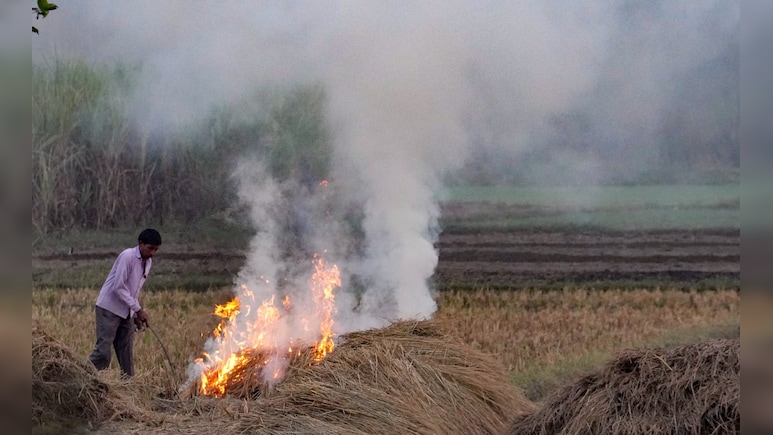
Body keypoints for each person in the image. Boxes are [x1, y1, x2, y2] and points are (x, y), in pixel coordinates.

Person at [88, 228, 161, 377]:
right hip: (109, 308)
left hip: (127, 311)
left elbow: (134, 290)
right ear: (140, 244)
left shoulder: (148, 262)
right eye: (150, 248)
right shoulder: (127, 257)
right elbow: (118, 287)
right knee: (103, 353)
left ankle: (128, 389)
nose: (152, 252)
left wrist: (134, 314)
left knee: (126, 356)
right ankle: (82, 376)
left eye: (156, 249)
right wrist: (138, 309)